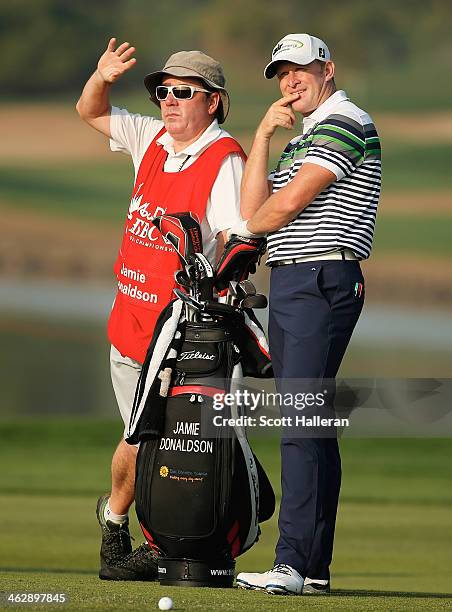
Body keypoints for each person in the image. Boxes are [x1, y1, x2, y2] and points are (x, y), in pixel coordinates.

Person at [76, 39, 245, 581]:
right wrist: (102, 76)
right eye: (163, 92)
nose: (168, 102)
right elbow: (91, 110)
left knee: (161, 443)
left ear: (213, 101)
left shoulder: (225, 159)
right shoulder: (152, 138)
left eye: (183, 93)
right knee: (140, 436)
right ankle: (123, 529)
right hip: (129, 325)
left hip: (182, 337)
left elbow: (232, 246)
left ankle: (140, 535)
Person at [233, 33, 381, 595]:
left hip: (320, 277)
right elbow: (257, 204)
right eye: (281, 73)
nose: (290, 80)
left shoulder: (345, 121)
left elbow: (287, 205)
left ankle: (293, 564)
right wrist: (265, 134)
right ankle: (312, 568)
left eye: (301, 69)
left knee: (299, 423)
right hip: (297, 280)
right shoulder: (304, 138)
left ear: (328, 69)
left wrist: (240, 235)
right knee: (310, 425)